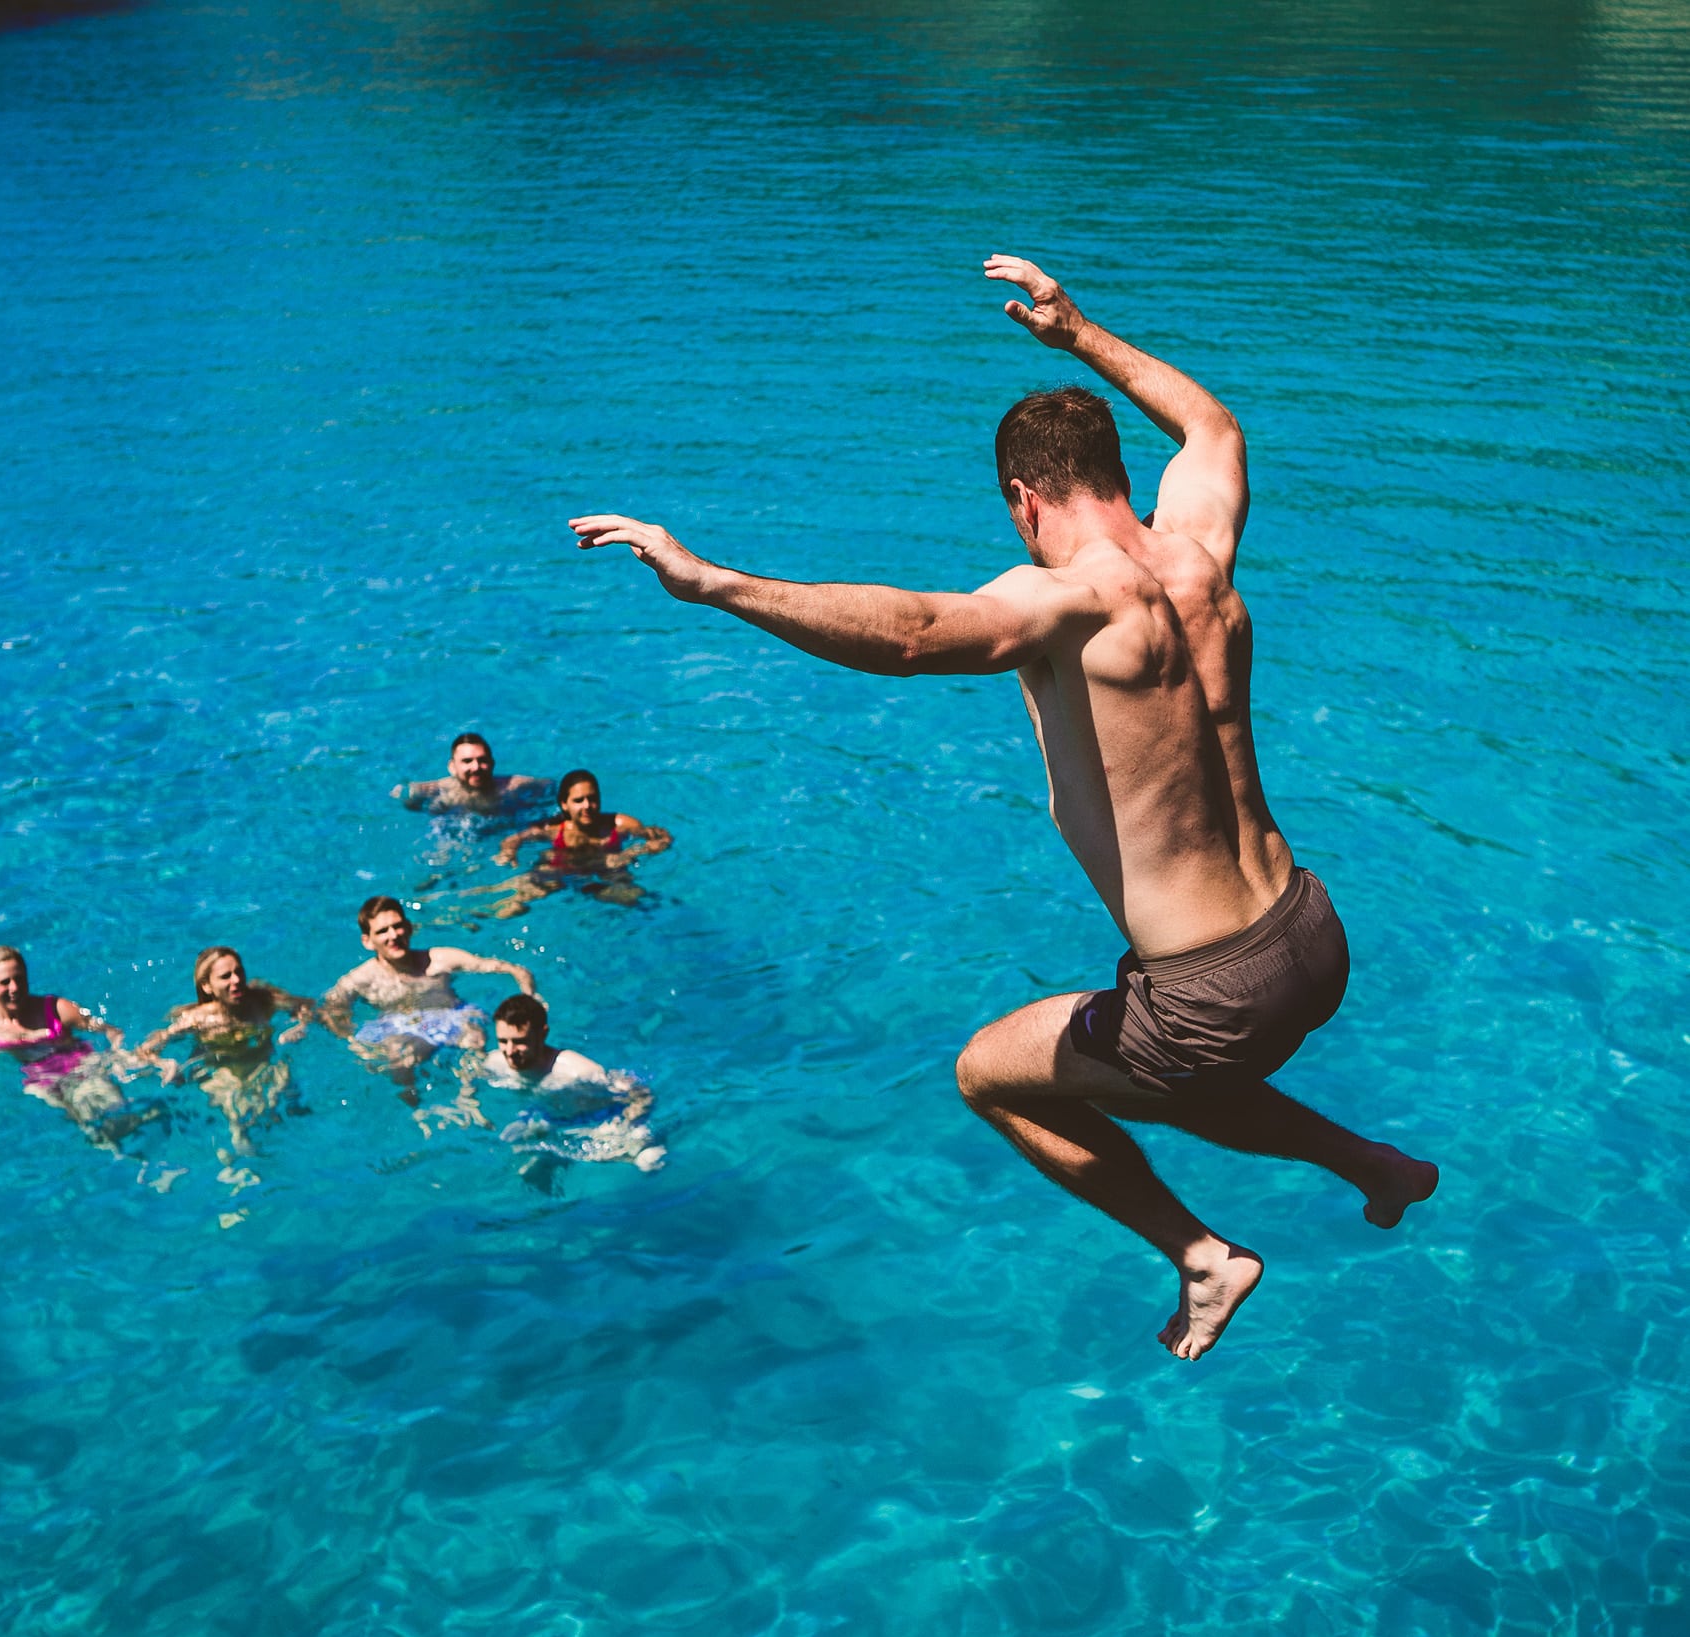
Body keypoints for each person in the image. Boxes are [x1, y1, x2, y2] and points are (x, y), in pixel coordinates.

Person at [570, 254, 1437, 1360]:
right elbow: (1212, 428)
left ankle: (1200, 1253)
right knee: (1155, 1072)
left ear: (1024, 498)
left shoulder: (1066, 598)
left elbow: (911, 635)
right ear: (1115, 471)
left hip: (1208, 985)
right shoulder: (1198, 548)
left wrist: (717, 583)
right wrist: (1078, 334)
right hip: (1309, 932)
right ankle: (1373, 1163)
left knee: (991, 1074)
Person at [317, 896, 540, 1101]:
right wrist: (352, 1042)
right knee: (398, 1059)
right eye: (383, 931)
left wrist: (530, 995)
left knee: (474, 1035)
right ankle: (414, 1109)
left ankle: (468, 1099)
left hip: (448, 1015)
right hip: (401, 1027)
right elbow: (329, 1010)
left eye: (398, 926)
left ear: (409, 927)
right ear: (367, 941)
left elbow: (511, 969)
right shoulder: (360, 979)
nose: (394, 935)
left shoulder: (441, 959)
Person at [0, 945, 146, 1147]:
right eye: (5, 982)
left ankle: (146, 1144)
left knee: (118, 1116)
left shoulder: (58, 1009)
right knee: (91, 1130)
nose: (14, 988)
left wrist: (117, 1056)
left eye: (19, 979)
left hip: (82, 1066)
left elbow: (112, 1031)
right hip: (39, 1079)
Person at [134, 946, 316, 1159]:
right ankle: (235, 1165)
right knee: (238, 1119)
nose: (236, 980)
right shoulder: (198, 1019)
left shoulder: (263, 1000)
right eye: (225, 976)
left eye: (239, 972)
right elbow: (145, 1050)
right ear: (207, 986)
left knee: (285, 1106)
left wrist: (299, 1025)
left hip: (263, 1064)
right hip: (222, 1072)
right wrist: (166, 1064)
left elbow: (307, 1005)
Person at [457, 994, 665, 1179]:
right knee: (520, 1164)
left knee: (649, 1161)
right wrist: (468, 1101)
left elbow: (641, 1094)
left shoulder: (577, 1071)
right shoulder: (496, 1062)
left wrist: (628, 1122)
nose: (509, 1051)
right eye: (503, 1041)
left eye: (520, 1041)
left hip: (598, 1121)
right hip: (546, 1119)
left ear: (542, 1034)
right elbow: (470, 1070)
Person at [488, 769, 672, 916]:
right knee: (512, 908)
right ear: (564, 804)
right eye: (578, 800)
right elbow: (514, 839)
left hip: (608, 871)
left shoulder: (621, 824)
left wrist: (643, 850)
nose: (587, 806)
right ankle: (479, 913)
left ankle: (595, 891)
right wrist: (508, 853)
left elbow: (661, 836)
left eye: (592, 799)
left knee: (637, 899)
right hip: (561, 870)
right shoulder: (552, 829)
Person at [394, 732, 552, 818]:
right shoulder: (436, 789)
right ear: (452, 767)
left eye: (482, 760)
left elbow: (548, 785)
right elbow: (406, 798)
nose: (476, 767)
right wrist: (410, 798)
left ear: (492, 764)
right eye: (467, 761)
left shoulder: (513, 785)